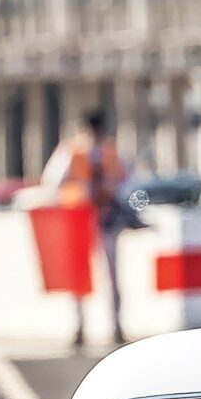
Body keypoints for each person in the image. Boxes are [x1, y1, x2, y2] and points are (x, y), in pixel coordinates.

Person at [41, 109, 137, 348]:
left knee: (112, 275)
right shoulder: (72, 152)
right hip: (80, 219)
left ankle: (116, 326)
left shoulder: (109, 152)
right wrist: (84, 190)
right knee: (81, 276)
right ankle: (80, 327)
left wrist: (109, 189)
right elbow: (54, 181)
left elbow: (127, 180)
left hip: (106, 218)